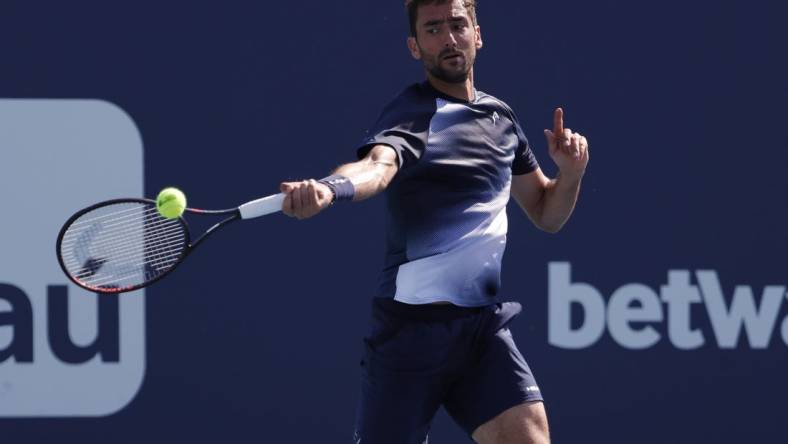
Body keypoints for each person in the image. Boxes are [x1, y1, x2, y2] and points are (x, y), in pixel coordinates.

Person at [279, 1, 589, 442]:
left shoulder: (502, 121)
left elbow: (546, 213)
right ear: (414, 45)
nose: (448, 38)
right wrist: (332, 188)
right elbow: (378, 166)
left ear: (477, 35)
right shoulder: (412, 114)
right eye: (433, 29)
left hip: (480, 329)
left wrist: (571, 174)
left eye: (458, 25)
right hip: (408, 336)